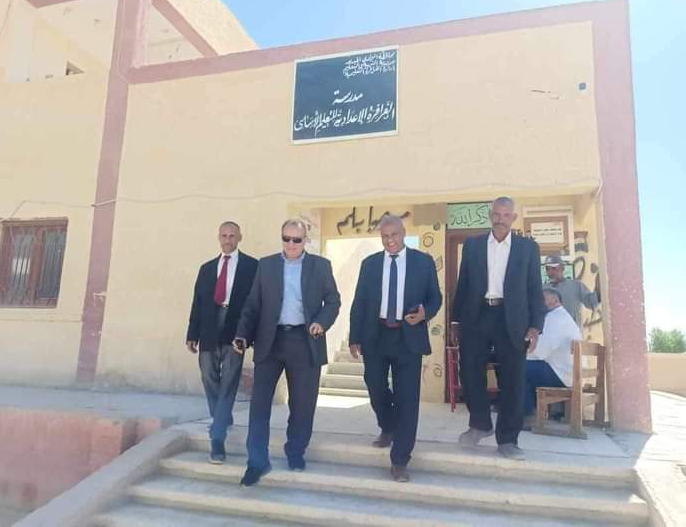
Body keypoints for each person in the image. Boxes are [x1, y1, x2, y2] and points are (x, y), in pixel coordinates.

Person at [233, 219, 340, 486]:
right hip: (270, 341)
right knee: (259, 405)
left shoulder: (320, 266)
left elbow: (333, 301)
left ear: (306, 240)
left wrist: (321, 322)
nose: (291, 244)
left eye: (296, 240)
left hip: (305, 341)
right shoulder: (266, 265)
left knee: (302, 405)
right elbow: (252, 305)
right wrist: (242, 334)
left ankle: (295, 451)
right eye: (286, 238)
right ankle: (256, 462)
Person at [349, 214, 442, 482]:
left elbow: (435, 298)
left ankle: (400, 459)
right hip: (375, 335)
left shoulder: (422, 262)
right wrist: (355, 337)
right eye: (385, 236)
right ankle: (388, 425)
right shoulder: (370, 264)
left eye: (394, 235)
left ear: (404, 233)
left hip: (408, 337)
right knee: (374, 385)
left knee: (407, 399)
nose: (390, 240)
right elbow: (359, 302)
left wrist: (425, 313)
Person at [450, 196, 544, 460]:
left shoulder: (527, 248)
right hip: (477, 314)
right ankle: (480, 424)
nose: (500, 219)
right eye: (497, 214)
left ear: (513, 218)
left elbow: (534, 287)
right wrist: (456, 320)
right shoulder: (473, 245)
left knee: (513, 378)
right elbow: (463, 283)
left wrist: (535, 326)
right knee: (469, 370)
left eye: (506, 215)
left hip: (512, 318)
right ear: (490, 215)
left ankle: (508, 440)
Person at [186, 221, 258, 464]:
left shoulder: (252, 266)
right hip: (208, 328)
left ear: (240, 238)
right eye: (224, 236)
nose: (228, 240)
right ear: (219, 237)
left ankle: (217, 439)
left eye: (232, 236)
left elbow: (255, 304)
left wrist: (249, 335)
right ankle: (223, 417)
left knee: (229, 380)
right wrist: (192, 333)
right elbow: (197, 303)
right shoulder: (207, 268)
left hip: (236, 330)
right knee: (208, 375)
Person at [523, 288, 582, 430]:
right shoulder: (563, 317)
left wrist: (520, 354)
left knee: (518, 368)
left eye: (542, 299)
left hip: (563, 376)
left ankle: (529, 415)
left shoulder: (555, 319)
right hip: (568, 374)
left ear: (555, 301)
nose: (538, 303)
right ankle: (534, 411)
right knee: (527, 367)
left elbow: (540, 352)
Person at [544, 254, 600, 329]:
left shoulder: (576, 286)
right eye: (547, 269)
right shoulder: (543, 290)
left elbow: (591, 302)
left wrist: (599, 287)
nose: (550, 271)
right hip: (551, 333)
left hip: (572, 333)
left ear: (562, 268)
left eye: (554, 268)